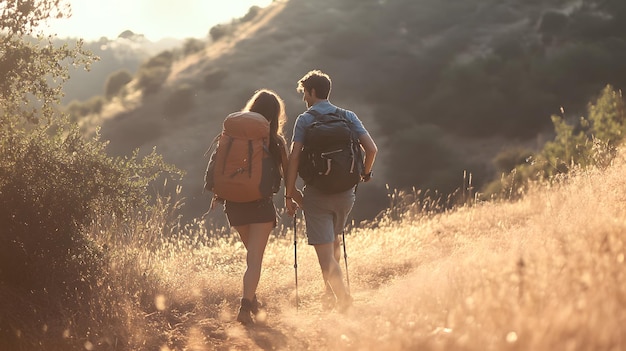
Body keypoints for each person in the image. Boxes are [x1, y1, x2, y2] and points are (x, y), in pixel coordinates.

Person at [284, 70, 378, 312]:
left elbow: (294, 157)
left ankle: (343, 297)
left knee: (325, 255)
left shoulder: (305, 120)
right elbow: (372, 149)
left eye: (305, 92)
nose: (304, 97)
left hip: (317, 194)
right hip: (346, 193)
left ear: (313, 92)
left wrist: (289, 190)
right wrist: (364, 174)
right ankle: (331, 293)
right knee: (333, 239)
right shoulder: (348, 116)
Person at [216, 89, 289, 325]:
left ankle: (252, 301)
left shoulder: (231, 136)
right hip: (260, 205)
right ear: (274, 114)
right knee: (255, 259)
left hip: (234, 205)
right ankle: (245, 307)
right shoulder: (275, 141)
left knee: (251, 257)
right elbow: (287, 175)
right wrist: (292, 198)